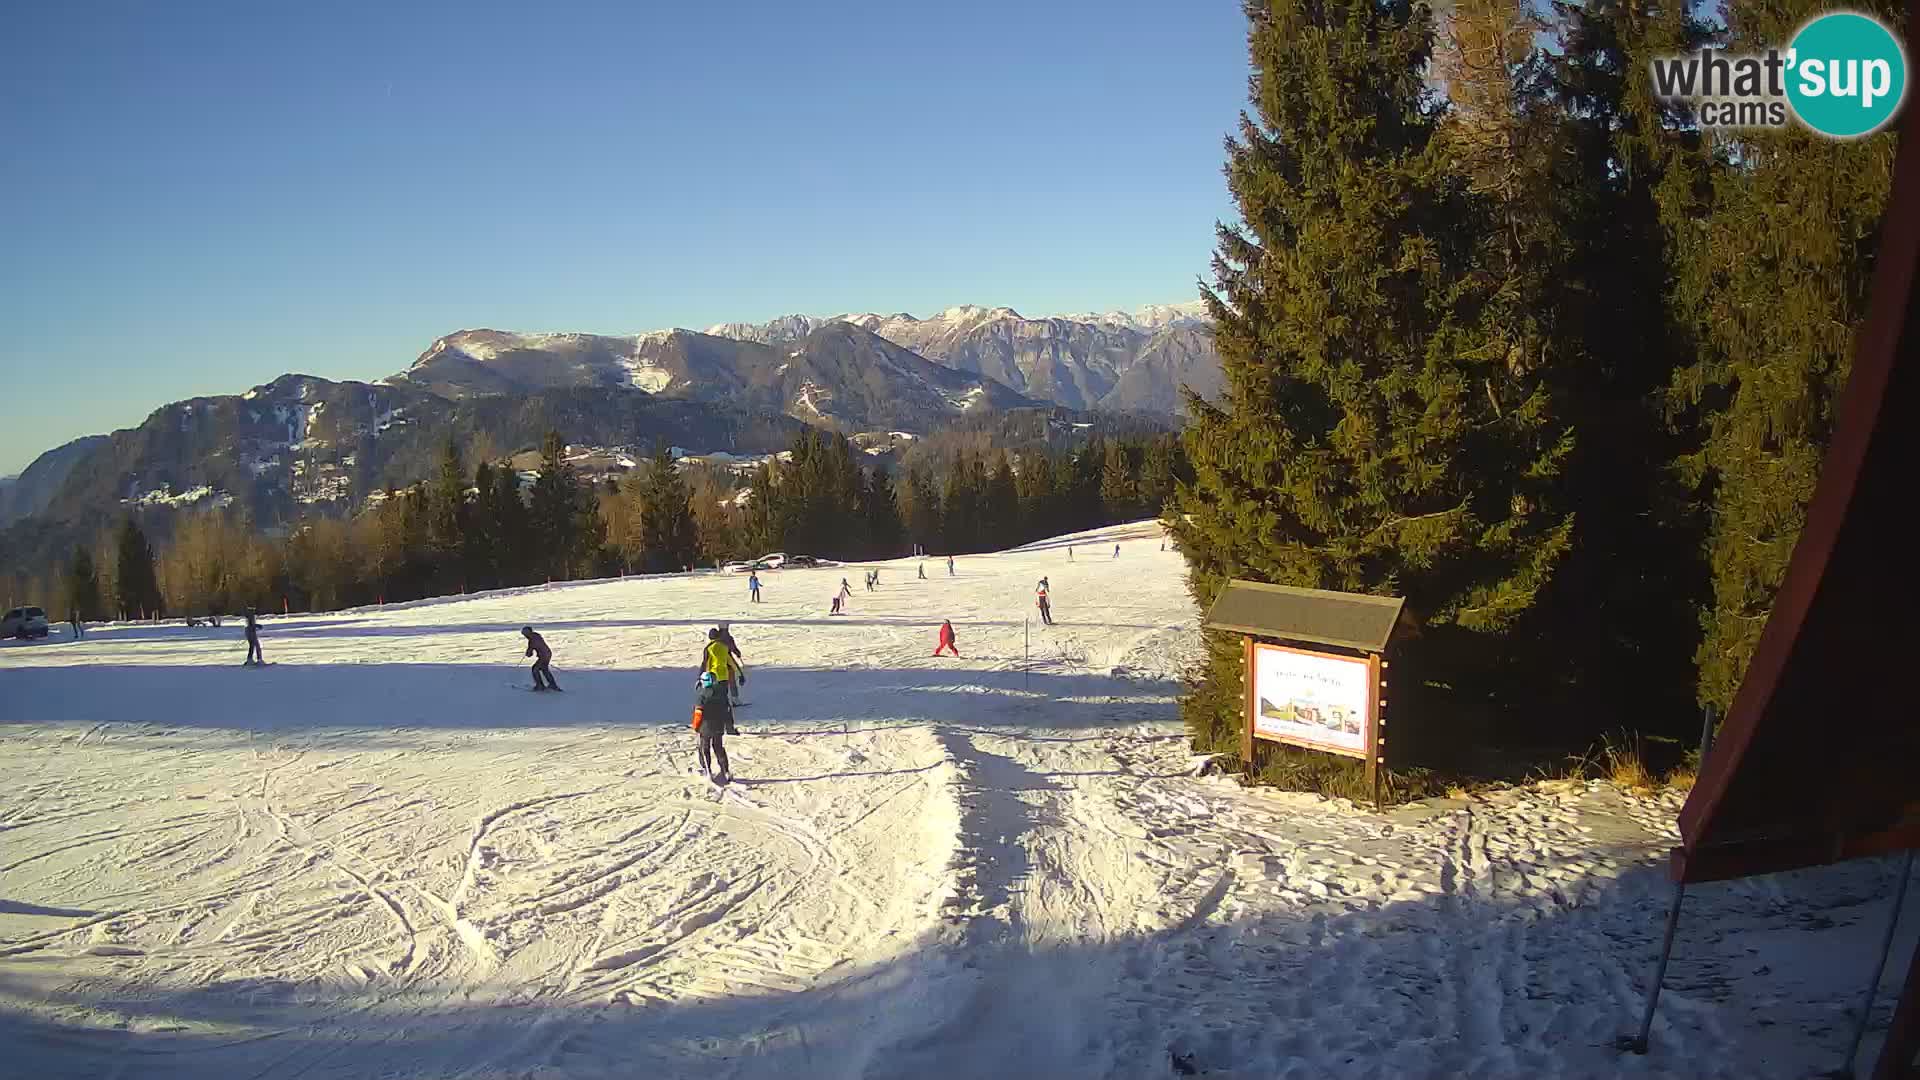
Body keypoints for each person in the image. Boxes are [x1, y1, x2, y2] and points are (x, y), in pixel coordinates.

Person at [694, 672, 732, 783]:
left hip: (705, 727)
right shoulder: (721, 694)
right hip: (719, 725)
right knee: (718, 747)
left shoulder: (702, 696)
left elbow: (698, 713)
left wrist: (696, 726)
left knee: (704, 748)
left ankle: (707, 770)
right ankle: (725, 770)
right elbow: (727, 710)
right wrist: (729, 725)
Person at [715, 622, 746, 717]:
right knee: (731, 681)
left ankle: (719, 700)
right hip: (727, 661)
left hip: (717, 662)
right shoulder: (728, 637)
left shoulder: (716, 637)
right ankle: (734, 698)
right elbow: (732, 647)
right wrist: (737, 653)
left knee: (719, 682)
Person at [523, 625, 559, 690]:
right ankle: (552, 685)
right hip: (546, 654)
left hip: (544, 656)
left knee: (535, 669)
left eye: (525, 633)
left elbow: (533, 647)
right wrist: (529, 652)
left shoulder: (533, 638)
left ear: (529, 632)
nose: (524, 635)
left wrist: (529, 652)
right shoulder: (534, 637)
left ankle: (540, 685)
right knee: (544, 669)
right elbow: (531, 650)